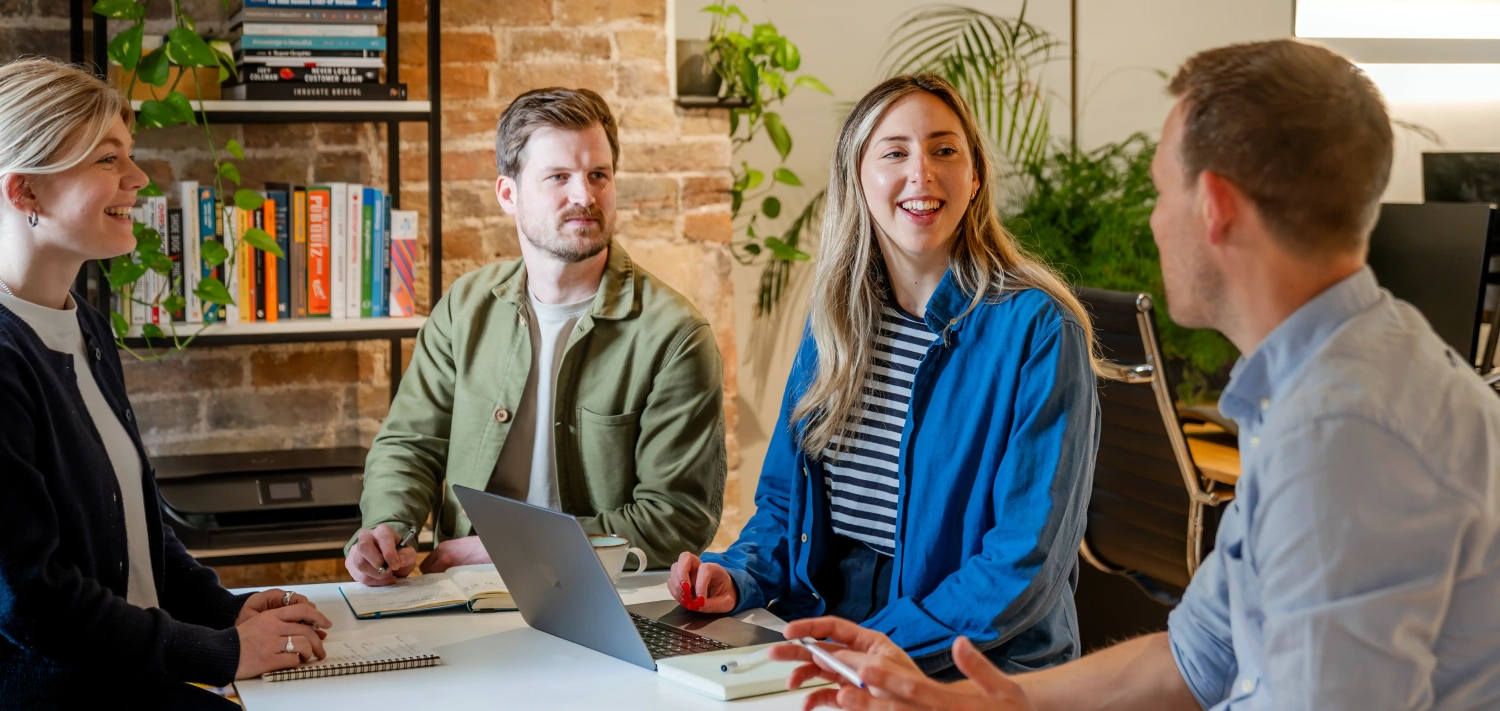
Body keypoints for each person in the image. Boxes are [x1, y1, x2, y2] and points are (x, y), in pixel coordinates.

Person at [772, 39, 1500, 711]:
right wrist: (984, 703)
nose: (1152, 220)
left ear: (1214, 207)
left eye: (1159, 190)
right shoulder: (1315, 387)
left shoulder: (1346, 435)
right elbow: (1197, 654)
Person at [669, 73, 1102, 677]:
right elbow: (784, 504)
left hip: (972, 658)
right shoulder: (836, 322)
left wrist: (873, 645)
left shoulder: (1039, 329)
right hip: (836, 624)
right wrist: (738, 575)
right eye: (894, 153)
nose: (922, 173)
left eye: (944, 150)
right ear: (857, 179)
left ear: (974, 177)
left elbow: (1024, 560)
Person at [0, 57, 334, 707]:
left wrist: (223, 610)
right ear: (26, 193)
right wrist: (222, 651)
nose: (139, 178)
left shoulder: (85, 327)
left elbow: (136, 527)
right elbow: (32, 598)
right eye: (108, 159)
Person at [345, 87, 727, 584]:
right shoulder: (464, 308)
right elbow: (410, 444)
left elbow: (676, 519)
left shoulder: (675, 336)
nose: (584, 196)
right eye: (558, 177)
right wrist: (387, 528)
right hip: (462, 587)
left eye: (599, 175)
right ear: (509, 194)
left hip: (603, 593)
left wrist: (509, 549)